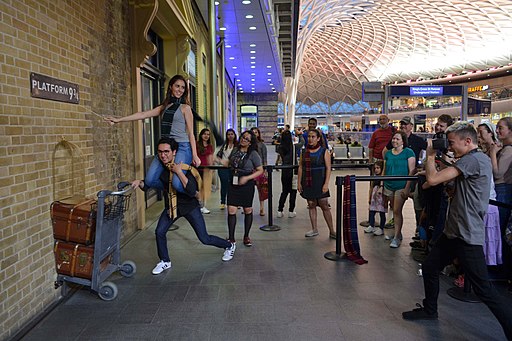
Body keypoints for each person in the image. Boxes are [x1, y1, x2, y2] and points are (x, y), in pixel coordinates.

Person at [402, 122, 512, 341]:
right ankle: (430, 309)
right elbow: (451, 184)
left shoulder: (474, 160)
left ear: (467, 141)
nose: (449, 147)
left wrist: (432, 154)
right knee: (431, 266)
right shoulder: (470, 159)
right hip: (454, 230)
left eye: (452, 142)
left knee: (484, 289)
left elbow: (432, 180)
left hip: (467, 234)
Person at [131, 137, 236, 275]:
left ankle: (229, 245)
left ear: (174, 152)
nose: (163, 155)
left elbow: (192, 190)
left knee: (204, 238)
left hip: (189, 206)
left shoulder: (185, 166)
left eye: (167, 152)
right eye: (160, 152)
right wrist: (140, 183)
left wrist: (179, 172)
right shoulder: (160, 168)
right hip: (172, 206)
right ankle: (165, 261)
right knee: (159, 232)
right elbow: (150, 185)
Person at [105, 75, 200, 193]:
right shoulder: (164, 107)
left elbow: (191, 133)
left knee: (177, 182)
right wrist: (118, 120)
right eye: (177, 86)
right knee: (149, 180)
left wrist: (195, 155)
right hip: (166, 147)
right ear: (171, 87)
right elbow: (142, 115)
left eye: (182, 88)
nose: (180, 90)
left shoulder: (186, 108)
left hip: (182, 147)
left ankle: (194, 193)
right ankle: (168, 188)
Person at [221, 131, 264, 247]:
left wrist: (247, 178)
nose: (243, 140)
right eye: (242, 137)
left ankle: (246, 236)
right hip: (233, 182)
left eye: (246, 139)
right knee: (231, 210)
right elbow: (229, 163)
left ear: (250, 143)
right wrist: (218, 160)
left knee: (247, 210)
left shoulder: (253, 154)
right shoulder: (235, 150)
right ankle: (231, 238)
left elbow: (260, 170)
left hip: (247, 184)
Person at [298, 129, 336, 239]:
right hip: (308, 181)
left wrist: (326, 184)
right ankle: (314, 229)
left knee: (324, 205)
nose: (310, 139)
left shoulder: (324, 151)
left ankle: (332, 230)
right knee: (311, 204)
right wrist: (299, 183)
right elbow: (301, 167)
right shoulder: (304, 152)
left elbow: (328, 168)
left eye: (313, 136)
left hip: (320, 180)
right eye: (309, 136)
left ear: (318, 138)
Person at [383, 131, 415, 248]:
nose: (394, 141)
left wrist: (407, 188)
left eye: (397, 139)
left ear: (403, 141)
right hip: (389, 185)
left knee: (397, 210)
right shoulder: (388, 153)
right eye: (393, 139)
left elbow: (412, 170)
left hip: (401, 186)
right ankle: (397, 233)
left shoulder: (408, 152)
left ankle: (396, 236)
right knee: (393, 208)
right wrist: (382, 183)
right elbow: (385, 169)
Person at [276, 130, 298, 218]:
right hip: (293, 171)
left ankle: (280, 210)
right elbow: (303, 142)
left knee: (284, 191)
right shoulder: (294, 147)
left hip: (284, 171)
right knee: (293, 191)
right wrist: (299, 134)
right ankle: (291, 211)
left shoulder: (280, 147)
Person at [215, 129, 238, 210]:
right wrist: (221, 161)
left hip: (233, 168)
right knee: (224, 184)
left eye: (232, 134)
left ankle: (234, 202)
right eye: (228, 134)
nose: (230, 136)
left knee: (234, 185)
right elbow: (217, 156)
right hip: (222, 168)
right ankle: (223, 202)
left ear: (234, 135)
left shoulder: (237, 146)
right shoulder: (223, 145)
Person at [363, 160, 387, 236]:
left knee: (381, 213)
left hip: (381, 197)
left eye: (378, 168)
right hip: (374, 197)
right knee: (372, 211)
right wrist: (369, 197)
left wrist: (386, 200)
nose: (376, 170)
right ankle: (371, 225)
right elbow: (371, 187)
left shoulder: (384, 179)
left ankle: (381, 228)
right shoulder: (374, 177)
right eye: (375, 168)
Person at [251, 127, 268, 216]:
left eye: (256, 132)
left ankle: (262, 208)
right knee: (249, 189)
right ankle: (248, 206)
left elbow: (264, 158)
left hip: (259, 169)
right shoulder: (249, 145)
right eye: (253, 132)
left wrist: (265, 170)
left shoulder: (262, 145)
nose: (254, 134)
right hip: (250, 170)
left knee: (261, 190)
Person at [196, 128, 213, 214]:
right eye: (204, 134)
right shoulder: (196, 144)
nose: (206, 136)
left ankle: (203, 206)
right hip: (197, 169)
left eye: (208, 134)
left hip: (206, 170)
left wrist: (212, 168)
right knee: (197, 187)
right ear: (201, 135)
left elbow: (210, 157)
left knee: (205, 188)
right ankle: (198, 205)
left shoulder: (210, 146)